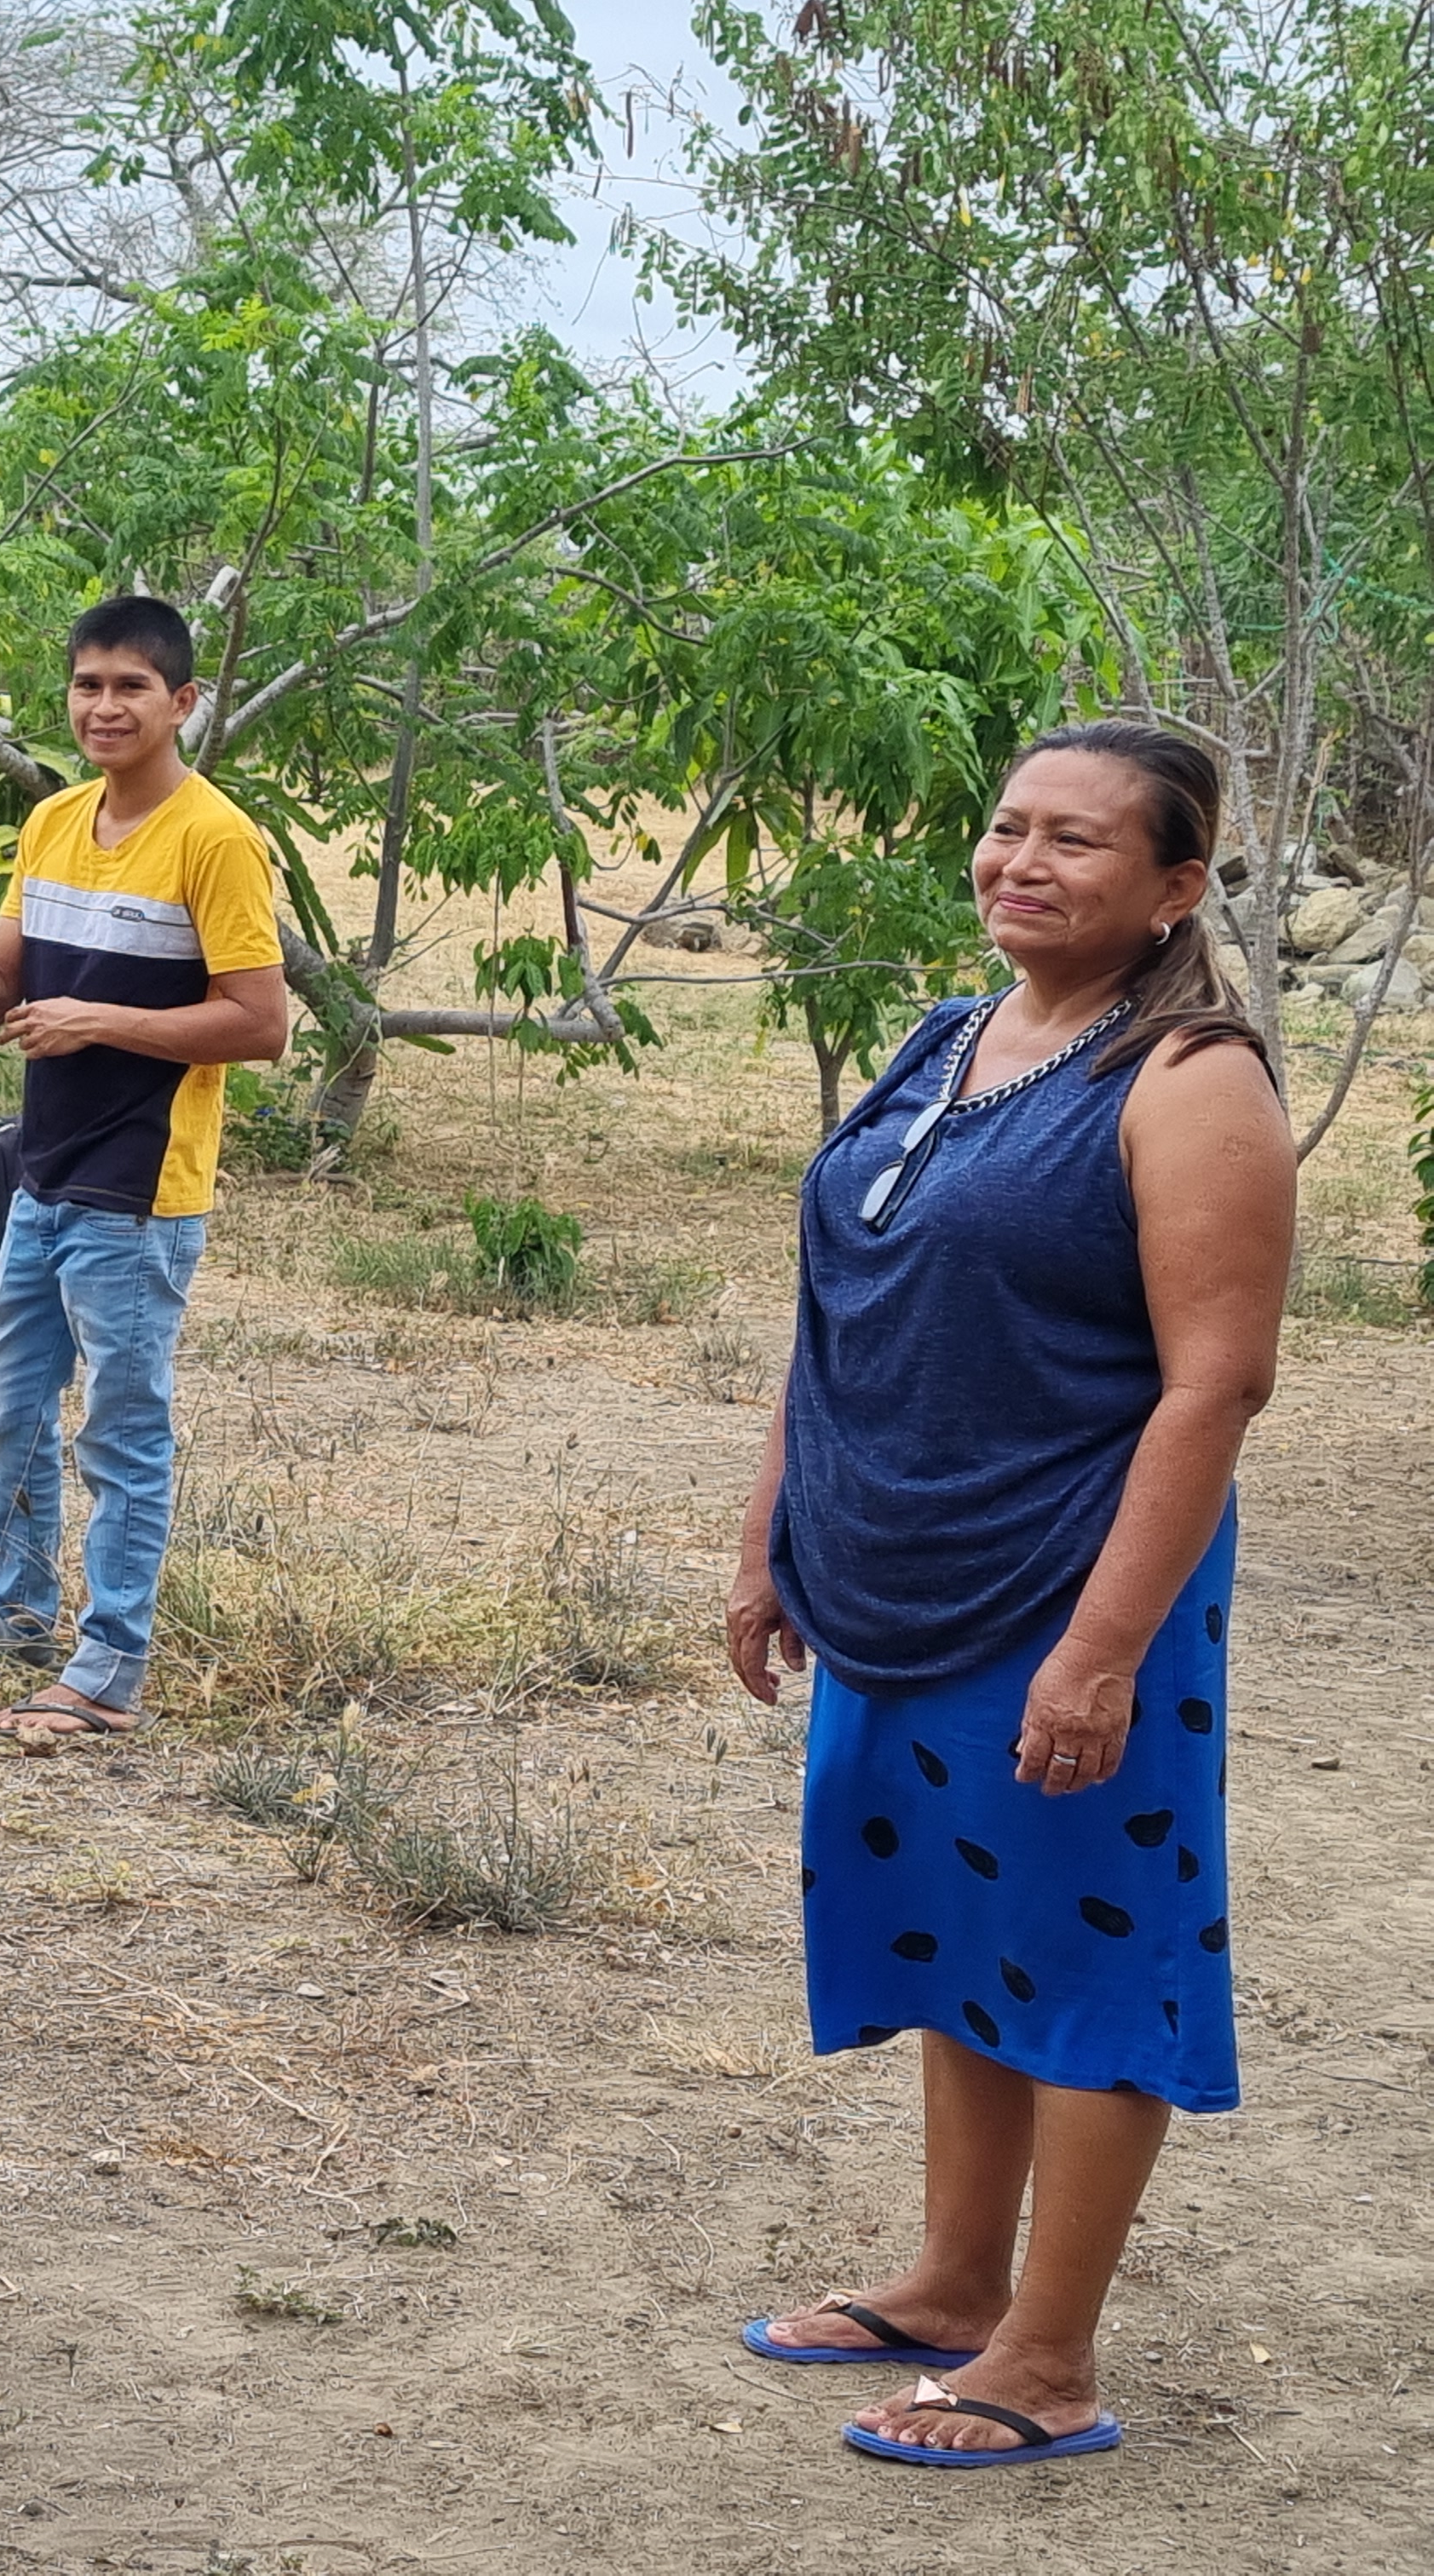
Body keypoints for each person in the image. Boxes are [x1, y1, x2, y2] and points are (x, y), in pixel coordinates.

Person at [728, 721, 1293, 2466]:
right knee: (954, 1928)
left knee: (1082, 1950)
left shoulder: (1189, 1080)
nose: (1020, 861)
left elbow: (1217, 1382)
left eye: (1076, 841)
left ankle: (1046, 2360)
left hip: (1070, 1581)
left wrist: (1102, 1652)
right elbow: (842, 1303)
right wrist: (769, 1534)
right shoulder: (949, 1038)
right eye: (1006, 826)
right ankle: (956, 2281)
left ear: (1174, 886)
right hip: (896, 1573)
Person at [0, 595, 289, 1742]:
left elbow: (261, 1024)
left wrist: (99, 1022)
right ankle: (17, 1621)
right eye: (88, 685)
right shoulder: (54, 822)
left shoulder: (216, 839)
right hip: (43, 1177)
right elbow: (1, 1002)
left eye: (132, 687)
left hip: (141, 1190)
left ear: (182, 702)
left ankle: (108, 1670)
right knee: (11, 1409)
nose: (106, 707)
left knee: (119, 1433)